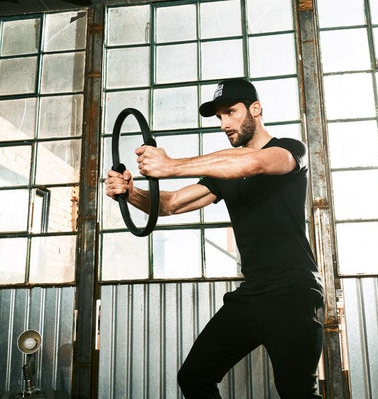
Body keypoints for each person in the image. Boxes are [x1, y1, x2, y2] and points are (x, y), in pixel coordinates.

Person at [105, 78, 324, 399]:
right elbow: (170, 204)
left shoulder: (290, 149)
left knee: (297, 391)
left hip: (294, 292)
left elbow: (253, 163)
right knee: (194, 377)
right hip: (254, 294)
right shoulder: (225, 174)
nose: (224, 124)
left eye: (230, 112)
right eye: (219, 117)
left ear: (255, 109)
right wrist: (130, 192)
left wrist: (171, 165)